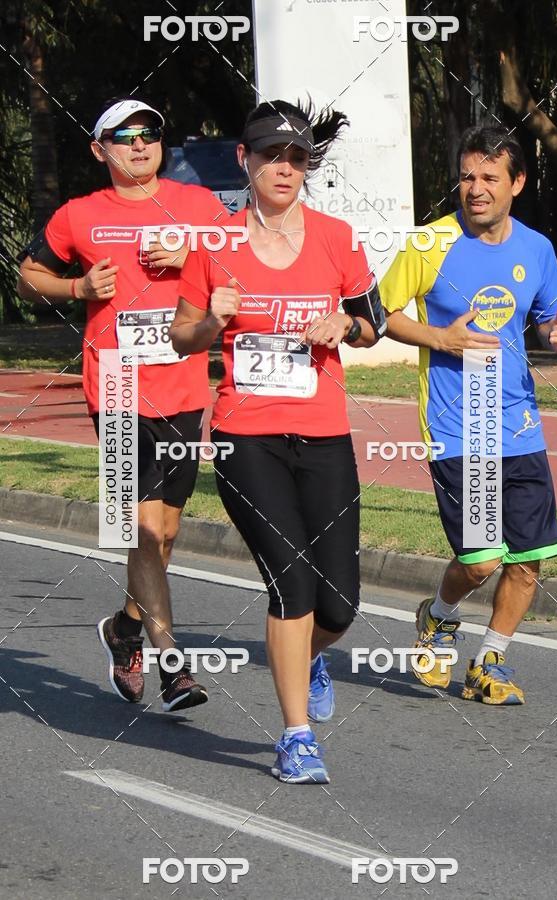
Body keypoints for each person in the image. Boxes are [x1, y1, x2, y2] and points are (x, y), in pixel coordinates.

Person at [170, 99, 386, 782]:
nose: (284, 168)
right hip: (245, 436)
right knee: (291, 584)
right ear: (247, 160)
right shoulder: (215, 246)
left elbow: (373, 323)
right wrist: (211, 324)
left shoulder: (336, 238)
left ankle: (309, 654)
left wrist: (343, 328)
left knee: (340, 604)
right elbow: (181, 336)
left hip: (323, 434)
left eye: (296, 158)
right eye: (271, 156)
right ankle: (296, 737)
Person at [17, 97, 227, 712]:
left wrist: (194, 258)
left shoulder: (200, 207)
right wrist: (76, 286)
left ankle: (125, 628)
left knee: (164, 534)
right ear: (98, 148)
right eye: (124, 136)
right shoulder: (79, 216)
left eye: (150, 134)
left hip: (184, 388)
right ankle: (174, 666)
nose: (139, 144)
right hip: (115, 386)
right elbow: (29, 274)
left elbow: (240, 266)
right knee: (141, 529)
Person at [380, 125, 557, 705]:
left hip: (518, 422)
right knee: (483, 559)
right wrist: (439, 338)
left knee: (529, 560)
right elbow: (379, 313)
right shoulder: (428, 244)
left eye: (490, 178)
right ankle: (438, 616)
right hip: (455, 424)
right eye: (468, 177)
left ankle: (489, 662)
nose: (476, 189)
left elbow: (547, 317)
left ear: (516, 183)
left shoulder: (536, 249)